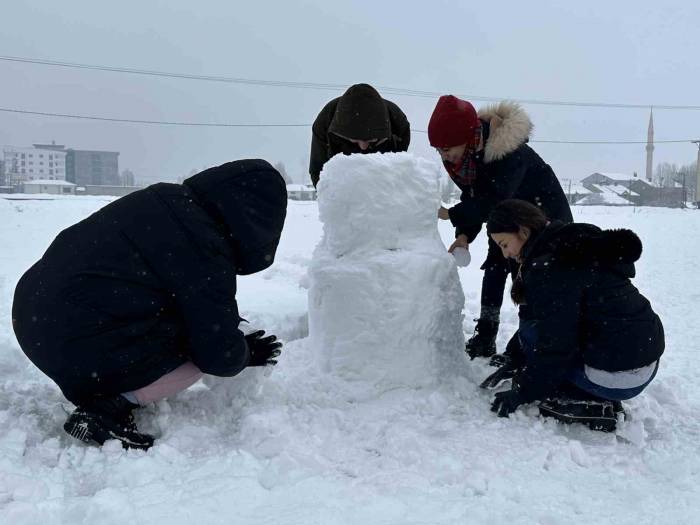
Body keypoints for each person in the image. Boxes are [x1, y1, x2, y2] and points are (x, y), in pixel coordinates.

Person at [12, 159, 287, 450]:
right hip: (77, 339)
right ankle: (107, 407)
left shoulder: (163, 200)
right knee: (197, 352)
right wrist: (241, 353)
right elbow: (216, 353)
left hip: (33, 317)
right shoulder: (205, 248)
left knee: (183, 324)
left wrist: (229, 328)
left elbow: (185, 297)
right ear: (257, 225)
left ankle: (97, 381)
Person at [483, 199, 664, 431]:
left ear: (524, 231)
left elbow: (557, 344)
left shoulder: (551, 269)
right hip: (645, 363)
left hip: (621, 378)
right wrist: (517, 357)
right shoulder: (571, 244)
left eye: (504, 244)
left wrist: (524, 391)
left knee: (534, 335)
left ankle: (587, 403)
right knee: (534, 333)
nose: (505, 253)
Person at [428, 96, 573, 361]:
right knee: (494, 267)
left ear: (467, 137)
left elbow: (492, 199)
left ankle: (529, 349)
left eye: (447, 147)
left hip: (546, 222)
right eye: (438, 150)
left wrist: (450, 214)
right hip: (508, 219)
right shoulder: (467, 159)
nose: (444, 155)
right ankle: (486, 335)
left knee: (531, 280)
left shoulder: (508, 152)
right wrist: (463, 236)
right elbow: (474, 197)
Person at [309, 83, 410, 187]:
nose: (363, 147)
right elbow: (319, 172)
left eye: (371, 140)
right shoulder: (324, 124)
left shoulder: (398, 125)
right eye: (355, 140)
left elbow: (397, 173)